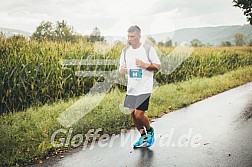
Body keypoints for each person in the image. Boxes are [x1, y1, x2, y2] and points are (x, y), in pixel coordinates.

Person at [119, 25, 161, 147]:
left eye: (132, 36)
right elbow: (122, 66)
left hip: (145, 87)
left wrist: (144, 64)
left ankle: (150, 131)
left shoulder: (148, 49)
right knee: (133, 114)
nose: (130, 39)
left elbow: (158, 66)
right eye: (128, 36)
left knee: (139, 114)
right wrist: (122, 70)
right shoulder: (125, 51)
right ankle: (143, 137)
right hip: (132, 88)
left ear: (139, 36)